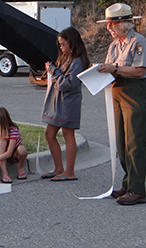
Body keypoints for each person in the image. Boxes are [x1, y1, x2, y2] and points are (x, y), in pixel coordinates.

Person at [97, 3, 146, 205]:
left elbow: (140, 70)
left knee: (135, 141)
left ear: (124, 24)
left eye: (111, 23)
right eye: (108, 24)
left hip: (136, 90)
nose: (108, 28)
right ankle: (129, 182)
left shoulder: (138, 42)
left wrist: (113, 68)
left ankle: (138, 189)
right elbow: (111, 68)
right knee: (120, 142)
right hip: (118, 90)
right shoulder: (115, 45)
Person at [41, 27, 90, 181]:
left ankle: (69, 172)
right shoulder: (66, 58)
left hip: (68, 103)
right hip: (58, 102)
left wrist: (54, 71)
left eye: (63, 44)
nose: (61, 47)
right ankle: (58, 168)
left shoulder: (77, 61)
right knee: (49, 134)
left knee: (68, 134)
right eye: (60, 45)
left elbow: (67, 83)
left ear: (73, 43)